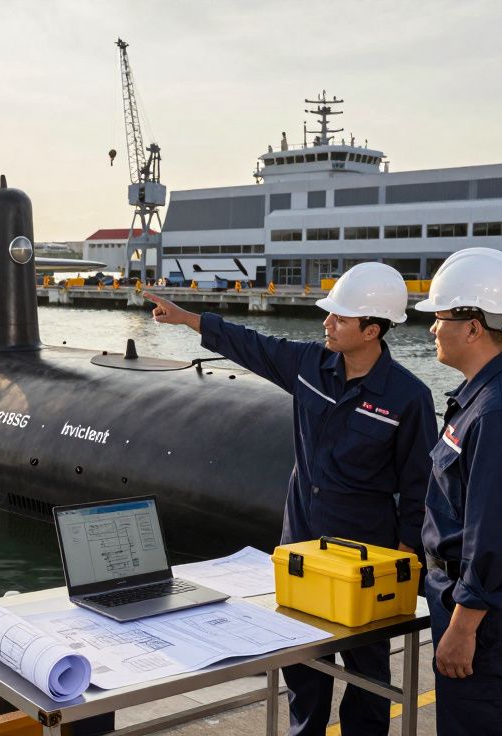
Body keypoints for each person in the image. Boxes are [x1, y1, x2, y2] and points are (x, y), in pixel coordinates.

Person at [145, 263, 435, 736]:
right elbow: (251, 344)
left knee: (368, 674)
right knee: (303, 666)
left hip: (365, 557)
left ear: (373, 330)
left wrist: (404, 559)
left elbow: (419, 485)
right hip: (302, 546)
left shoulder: (408, 397)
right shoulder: (309, 365)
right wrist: (187, 318)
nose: (327, 323)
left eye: (340, 318)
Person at [413, 247, 502, 735]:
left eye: (440, 318)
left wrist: (463, 626)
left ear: (473, 327)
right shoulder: (494, 393)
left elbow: (498, 530)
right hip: (483, 600)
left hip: (488, 612)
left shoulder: (498, 411)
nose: (433, 329)